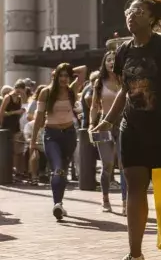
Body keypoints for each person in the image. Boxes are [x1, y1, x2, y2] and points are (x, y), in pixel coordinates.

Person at [93, 0, 161, 260]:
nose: (131, 15)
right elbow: (125, 88)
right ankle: (135, 255)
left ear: (152, 18)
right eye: (129, 10)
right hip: (131, 128)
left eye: (138, 11)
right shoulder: (123, 51)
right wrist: (109, 120)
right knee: (134, 187)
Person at [30, 63, 87, 220]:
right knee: (57, 168)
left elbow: (83, 70)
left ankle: (59, 204)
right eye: (60, 75)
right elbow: (39, 118)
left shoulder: (71, 91)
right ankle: (57, 203)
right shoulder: (46, 92)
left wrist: (67, 70)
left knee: (63, 170)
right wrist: (33, 141)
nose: (63, 78)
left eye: (66, 76)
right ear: (55, 76)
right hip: (51, 135)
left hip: (69, 135)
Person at [89, 51, 127, 214]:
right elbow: (94, 107)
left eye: (114, 60)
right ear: (104, 64)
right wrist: (91, 124)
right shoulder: (99, 82)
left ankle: (126, 202)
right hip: (104, 124)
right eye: (108, 60)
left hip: (123, 122)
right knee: (107, 165)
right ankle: (105, 198)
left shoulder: (124, 79)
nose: (111, 62)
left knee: (124, 165)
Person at [0, 81, 27, 180]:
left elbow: (21, 110)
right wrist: (16, 112)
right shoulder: (8, 97)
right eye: (20, 90)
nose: (20, 92)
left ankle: (17, 171)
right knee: (8, 150)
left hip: (16, 126)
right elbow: (2, 113)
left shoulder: (19, 99)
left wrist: (20, 113)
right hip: (6, 127)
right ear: (16, 88)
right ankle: (9, 171)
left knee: (17, 151)